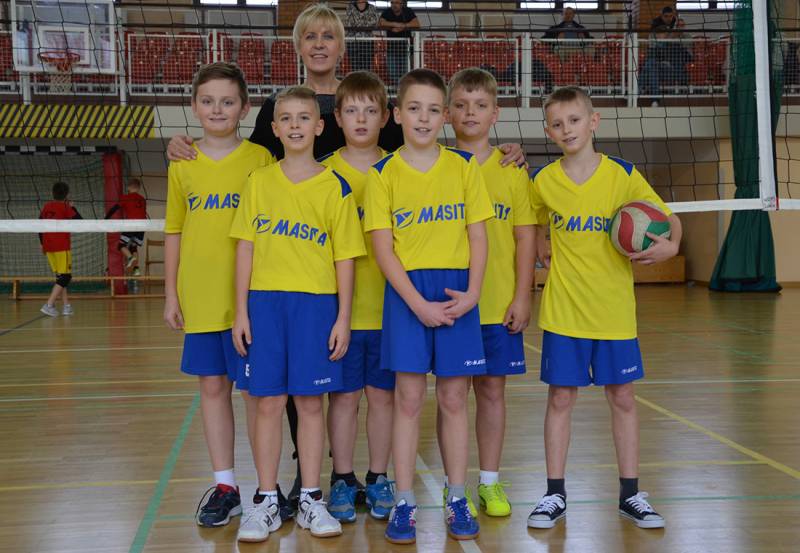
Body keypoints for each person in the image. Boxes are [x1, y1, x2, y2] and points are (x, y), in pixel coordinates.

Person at [165, 3, 525, 512]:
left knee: (374, 395)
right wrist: (185, 144)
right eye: (309, 36)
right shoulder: (280, 119)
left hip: (383, 298)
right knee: (304, 393)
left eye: (327, 36)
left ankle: (369, 478)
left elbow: (428, 145)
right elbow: (249, 164)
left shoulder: (386, 153)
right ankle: (311, 479)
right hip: (309, 290)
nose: (319, 44)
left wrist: (500, 152)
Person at [526, 86, 682, 530]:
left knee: (623, 398)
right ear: (548, 131)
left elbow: (668, 217)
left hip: (614, 312)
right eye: (557, 124)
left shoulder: (623, 175)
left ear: (593, 121)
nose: (567, 129)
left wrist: (672, 244)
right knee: (560, 398)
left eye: (574, 120)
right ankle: (554, 493)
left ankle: (631, 494)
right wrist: (539, 238)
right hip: (564, 311)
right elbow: (531, 220)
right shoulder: (542, 181)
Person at [230, 85, 365, 542]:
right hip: (265, 305)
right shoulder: (258, 182)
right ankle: (267, 500)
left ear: (319, 126)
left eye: (303, 118)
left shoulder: (335, 186)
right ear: (274, 128)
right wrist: (241, 311)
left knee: (310, 403)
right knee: (268, 402)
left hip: (316, 306)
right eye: (285, 118)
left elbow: (345, 258)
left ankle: (311, 498)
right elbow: (245, 249)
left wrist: (343, 317)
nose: (294, 125)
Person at [364, 68, 493, 544]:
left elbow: (478, 235)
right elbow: (383, 250)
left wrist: (474, 292)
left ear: (445, 117)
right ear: (397, 114)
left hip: (457, 291)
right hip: (407, 295)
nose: (423, 118)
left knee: (455, 399)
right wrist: (417, 303)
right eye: (414, 108)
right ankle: (404, 501)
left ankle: (457, 496)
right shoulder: (383, 174)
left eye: (433, 110)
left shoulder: (464, 167)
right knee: (409, 399)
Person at [163, 62, 275, 529]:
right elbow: (174, 231)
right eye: (207, 101)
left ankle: (266, 490)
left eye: (227, 101)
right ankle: (226, 486)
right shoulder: (182, 164)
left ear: (245, 109)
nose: (217, 109)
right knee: (212, 389)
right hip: (201, 295)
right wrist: (170, 294)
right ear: (194, 107)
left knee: (254, 394)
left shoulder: (261, 160)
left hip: (252, 298)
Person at [437, 68, 535, 519]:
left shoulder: (512, 170)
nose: (470, 113)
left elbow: (525, 236)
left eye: (480, 106)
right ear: (447, 114)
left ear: (495, 114)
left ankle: (490, 482)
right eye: (460, 105)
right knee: (451, 396)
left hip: (497, 304)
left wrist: (523, 296)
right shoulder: (436, 166)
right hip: (453, 303)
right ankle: (454, 485)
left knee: (492, 392)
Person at [319, 71, 396, 524]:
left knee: (382, 398)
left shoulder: (400, 168)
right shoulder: (323, 172)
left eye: (370, 110)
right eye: (352, 110)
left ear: (385, 117)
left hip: (391, 309)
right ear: (337, 118)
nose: (361, 119)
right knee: (344, 399)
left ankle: (379, 476)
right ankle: (342, 478)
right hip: (340, 313)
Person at [39, 181, 82, 317]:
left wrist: (41, 243)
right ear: (67, 195)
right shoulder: (65, 207)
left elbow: (38, 224)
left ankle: (66, 306)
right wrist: (73, 207)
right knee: (66, 277)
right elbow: (81, 221)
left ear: (53, 193)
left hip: (48, 246)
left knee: (61, 277)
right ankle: (49, 304)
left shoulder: (46, 206)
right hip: (61, 246)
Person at [639, 27, 692, 106]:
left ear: (666, 34)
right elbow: (649, 59)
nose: (658, 36)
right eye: (657, 34)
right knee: (651, 68)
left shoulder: (674, 45)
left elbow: (687, 58)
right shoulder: (653, 48)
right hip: (658, 71)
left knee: (650, 67)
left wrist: (667, 62)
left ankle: (637, 90)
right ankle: (655, 100)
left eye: (660, 34)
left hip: (672, 72)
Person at [105, 177, 147, 273]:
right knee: (133, 247)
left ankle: (131, 258)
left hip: (131, 224)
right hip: (143, 225)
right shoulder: (143, 199)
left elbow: (114, 208)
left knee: (121, 245)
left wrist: (106, 219)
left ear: (128, 187)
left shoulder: (125, 197)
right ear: (139, 188)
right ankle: (136, 270)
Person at [379, 0, 420, 86]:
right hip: (391, 49)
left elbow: (417, 24)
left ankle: (403, 89)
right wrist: (395, 24)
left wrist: (403, 26)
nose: (394, 5)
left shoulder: (408, 11)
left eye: (397, 3)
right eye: (392, 2)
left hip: (406, 49)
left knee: (405, 73)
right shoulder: (387, 12)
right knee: (392, 73)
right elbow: (380, 23)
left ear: (402, 4)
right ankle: (396, 91)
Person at [345, 1, 380, 73]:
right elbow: (349, 23)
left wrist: (358, 24)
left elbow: (375, 22)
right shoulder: (350, 7)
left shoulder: (372, 8)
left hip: (367, 42)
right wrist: (366, 23)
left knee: (367, 67)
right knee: (354, 67)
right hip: (353, 42)